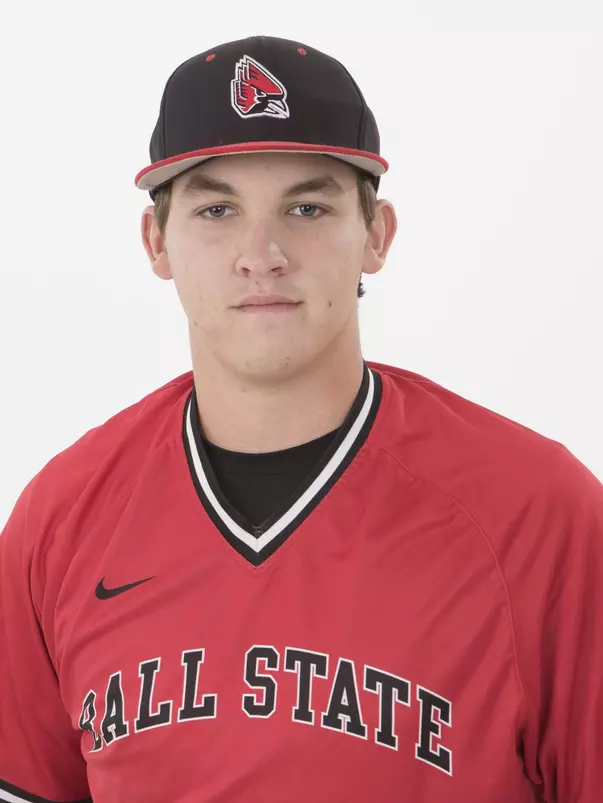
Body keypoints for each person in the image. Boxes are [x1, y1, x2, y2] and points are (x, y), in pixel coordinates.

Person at [0, 34, 601, 803]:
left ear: (375, 234)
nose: (262, 253)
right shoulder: (62, 515)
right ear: (157, 241)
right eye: (216, 208)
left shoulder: (538, 511)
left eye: (307, 206)